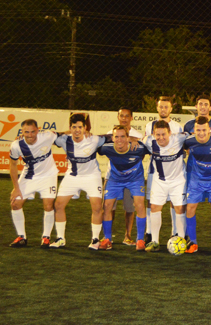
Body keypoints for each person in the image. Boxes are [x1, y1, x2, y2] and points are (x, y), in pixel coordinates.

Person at [52, 114, 108, 250]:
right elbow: (50, 135)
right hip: (72, 176)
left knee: (97, 207)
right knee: (58, 205)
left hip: (91, 176)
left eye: (80, 127)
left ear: (85, 128)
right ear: (70, 128)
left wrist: (133, 139)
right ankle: (60, 238)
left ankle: (95, 239)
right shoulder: (63, 140)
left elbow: (114, 137)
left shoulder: (94, 139)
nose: (77, 130)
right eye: (74, 127)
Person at [8, 119, 58, 248]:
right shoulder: (16, 145)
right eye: (26, 132)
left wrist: (85, 132)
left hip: (48, 175)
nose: (30, 135)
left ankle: (46, 237)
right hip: (29, 176)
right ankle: (21, 237)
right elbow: (13, 165)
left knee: (48, 205)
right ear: (22, 131)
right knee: (15, 203)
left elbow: (64, 134)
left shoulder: (47, 136)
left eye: (33, 131)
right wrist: (15, 188)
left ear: (38, 130)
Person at [98, 125, 149, 251]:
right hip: (115, 180)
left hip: (135, 179)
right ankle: (107, 239)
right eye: (116, 137)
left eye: (122, 136)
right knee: (107, 206)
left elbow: (153, 148)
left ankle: (140, 240)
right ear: (112, 138)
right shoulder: (106, 148)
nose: (119, 140)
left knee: (140, 205)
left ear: (128, 137)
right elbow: (93, 146)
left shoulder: (139, 147)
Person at [142, 120, 189, 252]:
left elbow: (193, 136)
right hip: (159, 181)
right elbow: (137, 142)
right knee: (155, 208)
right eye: (158, 135)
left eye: (164, 134)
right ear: (153, 134)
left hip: (178, 181)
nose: (161, 138)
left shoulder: (179, 138)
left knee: (179, 208)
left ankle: (181, 240)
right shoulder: (148, 141)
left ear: (170, 133)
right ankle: (155, 241)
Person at [183, 116, 211, 255]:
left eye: (204, 130)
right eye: (198, 130)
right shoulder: (189, 141)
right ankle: (193, 242)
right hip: (196, 180)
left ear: (209, 130)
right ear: (194, 130)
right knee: (190, 208)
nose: (201, 133)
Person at [144, 96, 183, 243]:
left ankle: (176, 233)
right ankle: (150, 234)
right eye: (161, 107)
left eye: (166, 107)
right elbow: (146, 144)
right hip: (156, 171)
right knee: (152, 202)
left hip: (175, 172)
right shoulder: (149, 126)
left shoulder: (178, 128)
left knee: (176, 202)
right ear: (157, 108)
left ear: (171, 109)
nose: (163, 109)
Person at [107, 107, 144, 246]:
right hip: (113, 176)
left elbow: (142, 150)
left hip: (131, 177)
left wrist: (135, 140)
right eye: (121, 115)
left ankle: (127, 236)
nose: (124, 118)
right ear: (118, 117)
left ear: (131, 118)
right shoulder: (110, 134)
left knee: (130, 208)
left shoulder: (138, 135)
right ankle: (108, 237)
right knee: (110, 207)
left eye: (127, 116)